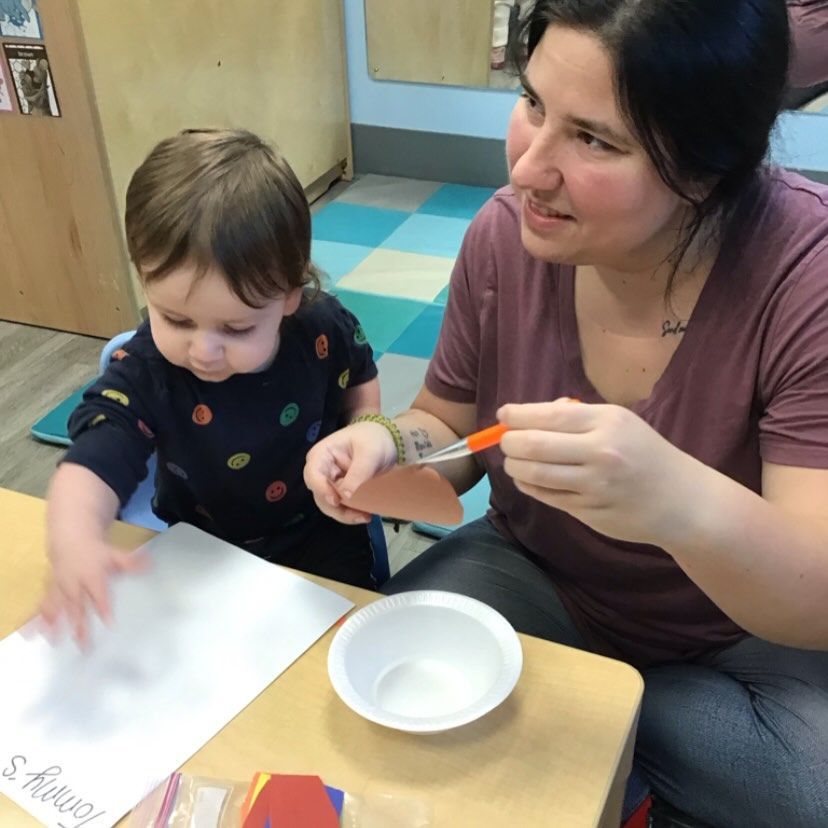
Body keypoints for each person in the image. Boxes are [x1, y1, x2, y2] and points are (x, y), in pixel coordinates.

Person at [304, 1, 828, 826]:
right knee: (373, 673)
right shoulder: (505, 238)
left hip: (736, 637)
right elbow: (447, 423)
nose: (525, 169)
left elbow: (814, 592)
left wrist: (675, 499)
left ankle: (580, 722)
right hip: (538, 574)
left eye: (594, 140)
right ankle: (607, 739)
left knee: (806, 791)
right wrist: (380, 443)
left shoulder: (804, 275)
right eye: (532, 103)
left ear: (703, 166)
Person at [40, 129, 381, 646]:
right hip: (199, 551)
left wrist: (365, 434)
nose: (204, 350)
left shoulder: (323, 329)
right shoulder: (149, 370)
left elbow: (360, 380)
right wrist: (75, 540)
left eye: (236, 329)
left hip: (318, 535)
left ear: (291, 294)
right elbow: (97, 455)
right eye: (175, 318)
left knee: (346, 648)